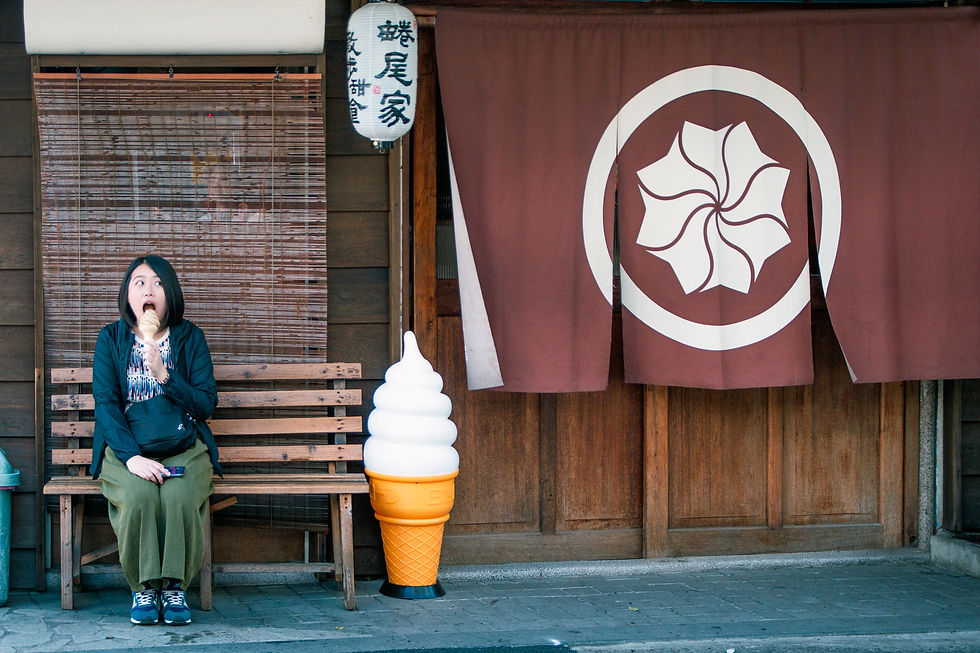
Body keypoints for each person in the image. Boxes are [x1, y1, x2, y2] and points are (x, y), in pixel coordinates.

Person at [90, 255, 221, 626]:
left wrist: (165, 375)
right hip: (127, 446)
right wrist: (131, 458)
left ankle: (175, 586)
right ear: (128, 295)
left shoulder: (190, 337)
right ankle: (144, 587)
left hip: (183, 445)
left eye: (158, 283)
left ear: (171, 293)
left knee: (178, 497)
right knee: (139, 497)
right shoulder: (111, 339)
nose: (149, 289)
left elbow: (206, 404)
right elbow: (106, 403)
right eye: (139, 282)